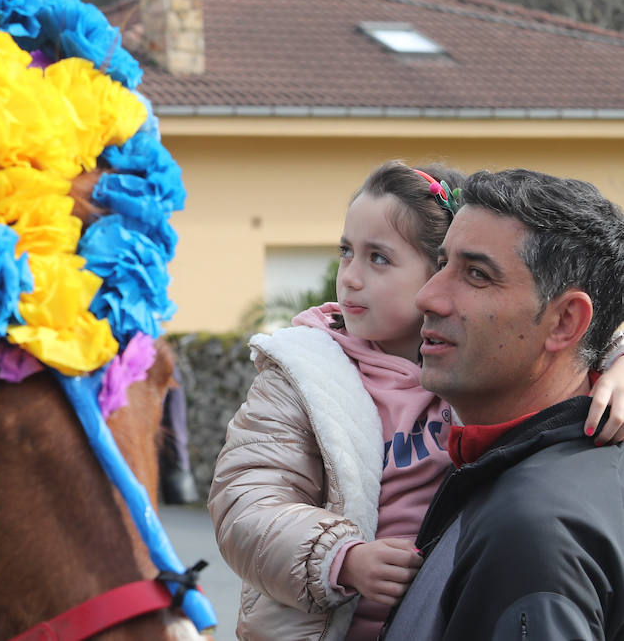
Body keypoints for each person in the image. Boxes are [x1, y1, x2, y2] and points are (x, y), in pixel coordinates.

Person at [208, 161, 624, 640]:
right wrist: (341, 557)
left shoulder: (475, 372)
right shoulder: (304, 372)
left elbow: (582, 340)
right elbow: (248, 499)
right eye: (346, 252)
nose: (351, 278)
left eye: (379, 258)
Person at [383, 169, 624, 639]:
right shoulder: (540, 476)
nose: (427, 296)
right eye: (441, 265)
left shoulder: (533, 529)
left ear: (565, 322)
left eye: (477, 274)